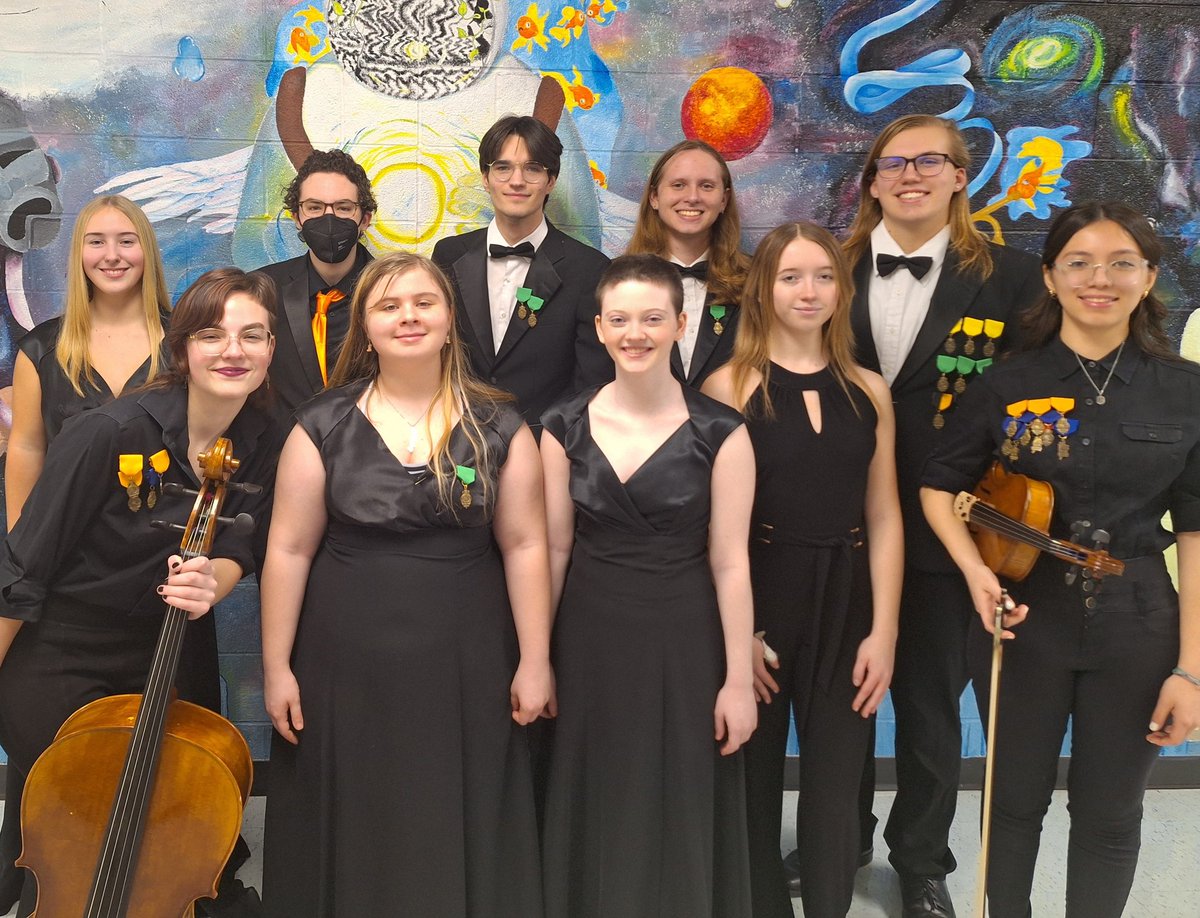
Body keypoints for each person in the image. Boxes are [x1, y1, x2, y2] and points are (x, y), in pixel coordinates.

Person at [920, 201, 1200, 918]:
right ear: (1050, 277)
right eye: (1078, 263)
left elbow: (1198, 536)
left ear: (1148, 278)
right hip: (1025, 619)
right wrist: (977, 573)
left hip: (1140, 624)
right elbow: (937, 485)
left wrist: (1191, 671)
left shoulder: (1186, 392)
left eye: (1119, 264)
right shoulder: (1007, 383)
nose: (1097, 279)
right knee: (1012, 804)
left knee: (1111, 814)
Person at [260, 252, 552, 917]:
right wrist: (276, 666)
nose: (408, 317)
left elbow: (527, 545)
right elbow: (288, 548)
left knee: (456, 802)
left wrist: (535, 660)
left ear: (451, 320)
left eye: (424, 302)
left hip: (468, 661)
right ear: (364, 327)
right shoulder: (321, 423)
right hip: (344, 665)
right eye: (388, 306)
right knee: (357, 805)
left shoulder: (501, 425)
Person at [0, 267, 280, 918]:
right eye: (212, 334)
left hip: (165, 649)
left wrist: (223, 577)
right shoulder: (110, 431)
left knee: (171, 833)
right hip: (61, 656)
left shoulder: (263, 436)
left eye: (253, 335)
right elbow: (23, 565)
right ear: (181, 349)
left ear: (272, 349)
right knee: (85, 836)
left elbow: (246, 537)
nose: (233, 350)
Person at [842, 113, 1044, 917]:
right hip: (834, 520)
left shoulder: (1014, 278)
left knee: (928, 708)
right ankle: (839, 831)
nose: (910, 174)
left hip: (943, 529)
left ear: (961, 176)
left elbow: (1032, 403)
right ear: (872, 180)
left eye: (930, 160)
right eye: (892, 163)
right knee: (837, 696)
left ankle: (921, 859)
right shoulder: (829, 266)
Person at [540, 254, 757, 918]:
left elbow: (731, 562)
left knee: (677, 794)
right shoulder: (560, 428)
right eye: (620, 320)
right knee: (593, 791)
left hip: (683, 642)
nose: (636, 333)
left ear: (680, 324)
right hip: (587, 640)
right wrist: (535, 657)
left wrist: (739, 679)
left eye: (652, 318)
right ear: (601, 329)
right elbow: (552, 549)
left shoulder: (723, 434)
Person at [704, 222, 903, 918]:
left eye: (822, 276)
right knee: (753, 782)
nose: (808, 290)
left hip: (848, 600)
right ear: (764, 290)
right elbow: (713, 529)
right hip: (762, 595)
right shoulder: (728, 386)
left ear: (841, 289)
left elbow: (884, 517)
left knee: (835, 786)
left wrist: (883, 632)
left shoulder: (869, 390)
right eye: (790, 276)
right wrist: (741, 639)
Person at [0, 192, 172, 912]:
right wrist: (23, 554)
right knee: (50, 781)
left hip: (155, 603)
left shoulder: (186, 342)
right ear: (76, 256)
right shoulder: (45, 346)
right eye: (96, 241)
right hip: (62, 603)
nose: (112, 255)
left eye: (127, 241)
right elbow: (28, 447)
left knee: (161, 786)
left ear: (148, 253)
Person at [432, 114, 611, 433]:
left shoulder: (590, 268)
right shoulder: (448, 255)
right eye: (503, 168)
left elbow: (590, 385)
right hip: (456, 443)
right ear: (486, 178)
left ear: (551, 180)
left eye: (532, 168)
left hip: (547, 450)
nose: (517, 181)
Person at [256, 148, 376, 418]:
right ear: (297, 218)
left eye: (344, 208)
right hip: (281, 453)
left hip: (370, 452)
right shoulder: (262, 289)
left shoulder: (393, 292)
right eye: (314, 207)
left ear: (365, 219)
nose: (329, 218)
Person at [626, 139, 749, 388]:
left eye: (706, 186)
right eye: (678, 185)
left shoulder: (756, 281)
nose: (692, 197)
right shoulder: (617, 282)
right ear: (654, 197)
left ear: (724, 200)